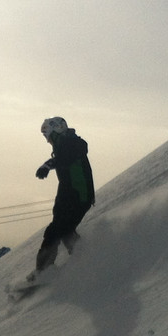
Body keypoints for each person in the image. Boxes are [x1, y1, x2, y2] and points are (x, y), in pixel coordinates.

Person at [33, 116, 94, 277]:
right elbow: (63, 164)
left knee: (58, 230)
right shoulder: (64, 146)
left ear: (56, 131)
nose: (47, 140)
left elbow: (67, 157)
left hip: (79, 196)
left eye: (47, 135)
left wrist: (48, 165)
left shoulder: (72, 143)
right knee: (63, 230)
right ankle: (85, 259)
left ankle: (44, 270)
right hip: (70, 195)